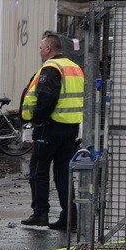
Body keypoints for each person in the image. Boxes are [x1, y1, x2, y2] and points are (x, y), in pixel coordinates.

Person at [19, 32, 85, 229]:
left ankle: (40, 213)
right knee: (63, 172)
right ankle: (70, 217)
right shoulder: (75, 67)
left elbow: (47, 98)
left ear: (48, 48)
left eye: (41, 47)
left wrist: (37, 119)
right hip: (71, 127)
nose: (39, 51)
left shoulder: (51, 67)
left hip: (50, 127)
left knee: (39, 170)